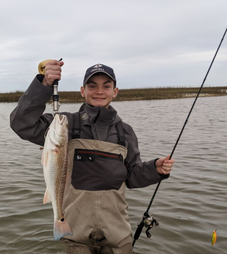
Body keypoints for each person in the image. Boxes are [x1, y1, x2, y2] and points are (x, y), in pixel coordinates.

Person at [10, 60, 175, 254]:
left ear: (115, 91)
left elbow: (130, 176)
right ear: (82, 91)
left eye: (106, 86)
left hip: (117, 233)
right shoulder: (64, 123)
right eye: (92, 86)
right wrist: (44, 84)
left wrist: (154, 169)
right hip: (76, 232)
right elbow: (22, 123)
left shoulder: (125, 132)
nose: (99, 91)